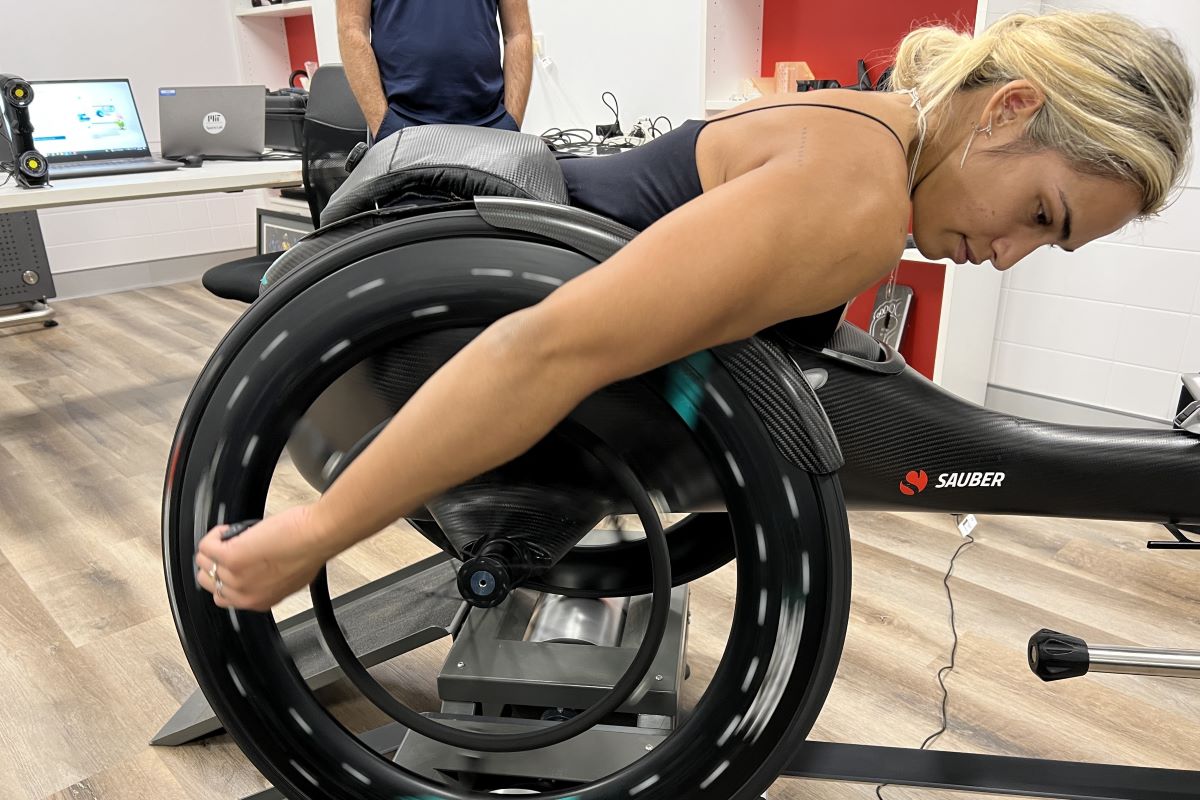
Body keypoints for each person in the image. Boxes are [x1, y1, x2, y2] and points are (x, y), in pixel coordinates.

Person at [195, 11, 1193, 611]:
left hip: (441, 302)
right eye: (1037, 213)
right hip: (426, 355)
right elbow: (547, 349)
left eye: (1047, 245)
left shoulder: (869, 129)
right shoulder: (853, 204)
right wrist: (315, 533)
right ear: (1009, 108)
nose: (1007, 255)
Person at [337, 0, 533, 143]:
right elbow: (351, 28)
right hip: (403, 127)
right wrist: (383, 126)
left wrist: (511, 123)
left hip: (492, 126)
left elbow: (518, 33)